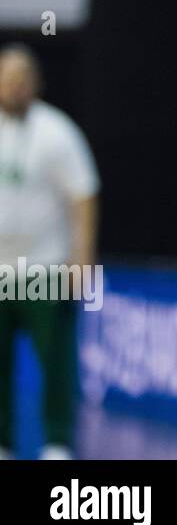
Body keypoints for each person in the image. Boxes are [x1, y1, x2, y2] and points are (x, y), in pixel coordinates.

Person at [0, 44, 99, 460]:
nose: (14, 86)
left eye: (22, 78)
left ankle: (56, 442)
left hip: (45, 266)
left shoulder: (57, 131)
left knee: (55, 360)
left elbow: (84, 195)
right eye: (7, 78)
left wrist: (83, 259)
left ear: (36, 84)